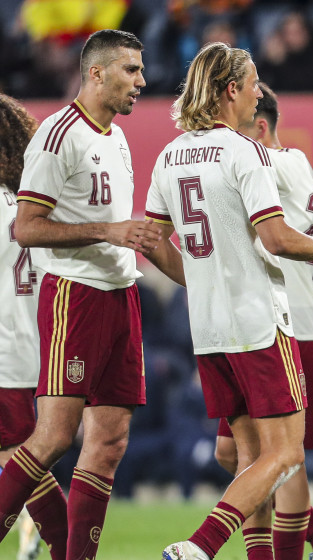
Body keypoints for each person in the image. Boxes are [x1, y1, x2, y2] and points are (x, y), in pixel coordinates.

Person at [143, 42, 313, 560]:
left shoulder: (169, 154)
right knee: (285, 452)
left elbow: (153, 239)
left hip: (207, 329)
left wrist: (199, 280)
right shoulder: (242, 150)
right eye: (251, 84)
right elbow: (275, 237)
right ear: (231, 90)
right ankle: (200, 546)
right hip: (256, 322)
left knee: (249, 457)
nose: (257, 94)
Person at [0, 29, 161, 560]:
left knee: (110, 443)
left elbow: (127, 231)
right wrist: (108, 231)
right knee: (51, 438)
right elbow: (27, 227)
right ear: (96, 73)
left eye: (140, 71)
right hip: (75, 293)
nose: (142, 81)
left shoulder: (115, 137)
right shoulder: (57, 133)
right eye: (131, 71)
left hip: (121, 294)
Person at [211, 81, 313, 560]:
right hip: (256, 326)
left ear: (261, 126)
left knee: (282, 461)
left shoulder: (285, 162)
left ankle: (297, 547)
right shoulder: (265, 165)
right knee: (236, 455)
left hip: (296, 325)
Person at [0, 93, 66, 560]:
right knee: (26, 466)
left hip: (3, 358)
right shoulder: (37, 211)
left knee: (20, 467)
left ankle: (68, 548)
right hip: (31, 357)